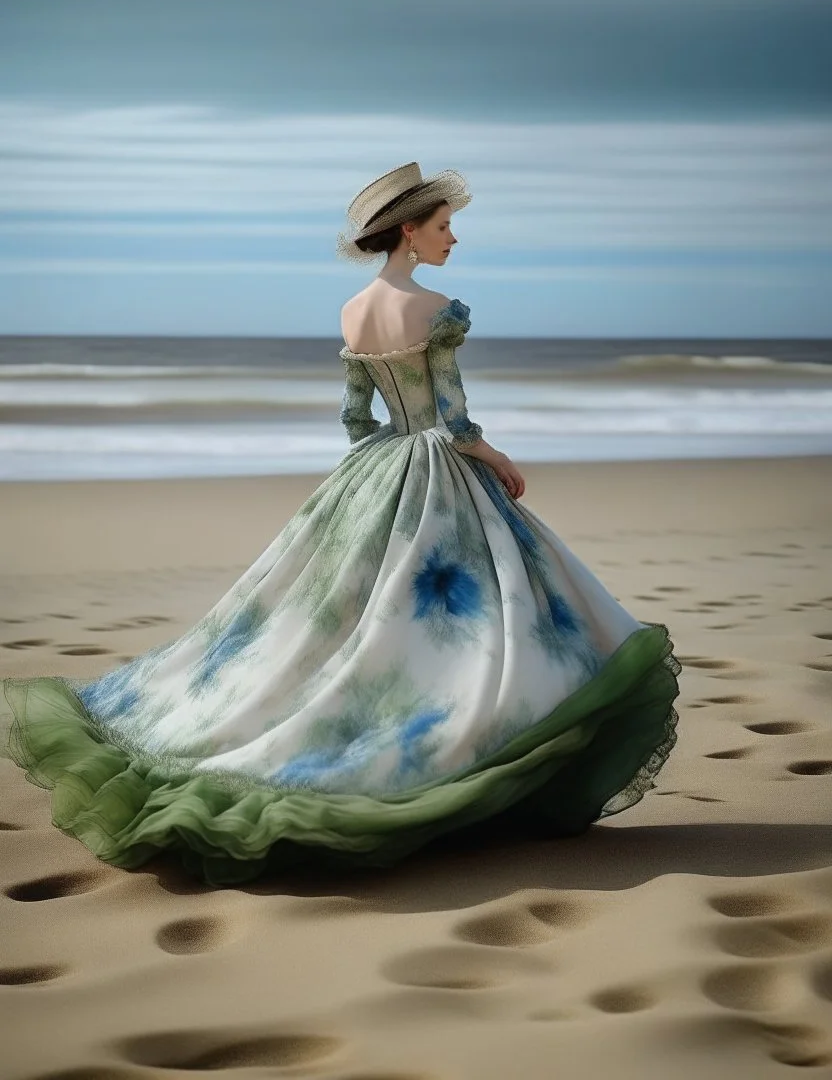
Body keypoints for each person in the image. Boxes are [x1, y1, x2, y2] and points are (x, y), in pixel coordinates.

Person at [0, 161, 681, 888]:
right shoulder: (438, 308)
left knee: (338, 613)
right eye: (444, 225)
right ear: (409, 231)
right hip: (434, 465)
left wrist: (374, 482)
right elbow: (451, 418)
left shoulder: (353, 311)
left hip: (376, 468)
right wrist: (494, 455)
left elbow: (357, 417)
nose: (453, 238)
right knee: (485, 615)